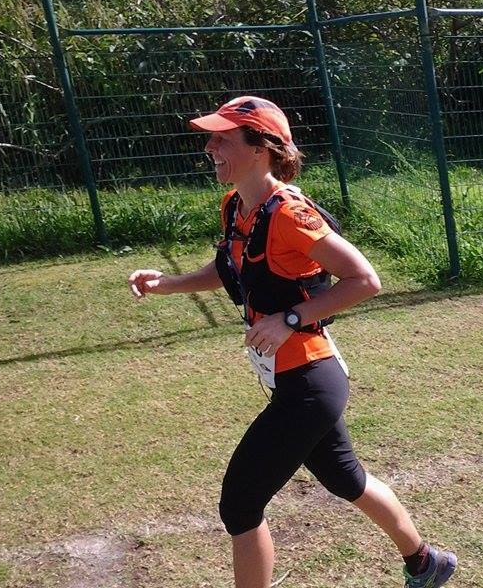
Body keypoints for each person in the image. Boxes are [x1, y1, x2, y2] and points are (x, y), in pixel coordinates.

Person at [127, 96, 457, 588]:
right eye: (210, 138)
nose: (209, 147)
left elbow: (364, 279)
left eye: (222, 139)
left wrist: (291, 319)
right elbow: (230, 268)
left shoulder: (290, 214)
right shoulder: (236, 206)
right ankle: (427, 563)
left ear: (259, 148)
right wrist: (168, 283)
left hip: (309, 382)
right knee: (346, 478)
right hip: (292, 380)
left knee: (240, 503)